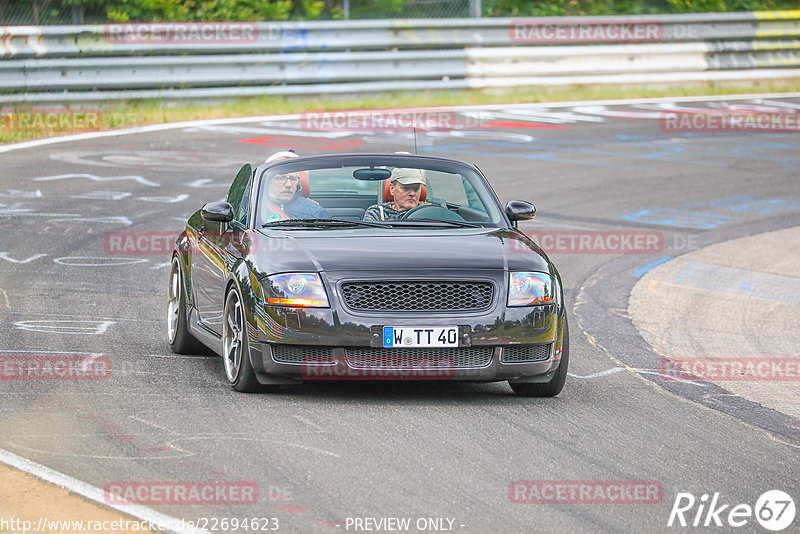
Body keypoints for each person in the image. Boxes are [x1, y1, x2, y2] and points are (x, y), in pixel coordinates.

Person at [262, 151, 329, 222]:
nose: (288, 185)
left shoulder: (315, 212)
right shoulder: (254, 208)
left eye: (292, 179)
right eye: (281, 178)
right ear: (267, 181)